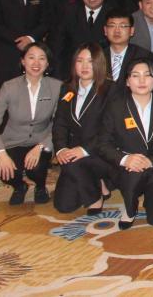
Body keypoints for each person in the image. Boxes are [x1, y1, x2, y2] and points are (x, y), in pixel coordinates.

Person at [97, 57, 153, 229]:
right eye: (135, 75)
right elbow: (103, 144)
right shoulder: (115, 107)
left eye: (147, 75)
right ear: (127, 81)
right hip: (128, 168)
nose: (142, 81)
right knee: (132, 177)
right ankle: (130, 206)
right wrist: (125, 159)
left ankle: (151, 196)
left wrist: (151, 161)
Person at [0, 41, 63, 205]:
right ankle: (20, 186)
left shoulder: (57, 87)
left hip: (41, 140)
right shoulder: (9, 87)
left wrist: (41, 146)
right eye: (31, 57)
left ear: (47, 63)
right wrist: (2, 154)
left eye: (42, 58)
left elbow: (60, 122)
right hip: (14, 141)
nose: (36, 63)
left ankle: (40, 186)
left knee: (35, 169)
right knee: (7, 173)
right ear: (23, 61)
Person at [53, 42, 115, 213]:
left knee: (73, 163)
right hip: (75, 154)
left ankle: (95, 197)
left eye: (90, 61)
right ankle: (98, 183)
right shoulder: (67, 88)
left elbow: (110, 130)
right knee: (64, 206)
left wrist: (84, 150)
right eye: (80, 61)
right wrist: (61, 149)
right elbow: (60, 123)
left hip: (102, 153)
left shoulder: (111, 89)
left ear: (99, 63)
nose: (85, 66)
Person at [51, 0, 109, 79]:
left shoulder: (112, 15)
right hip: (71, 73)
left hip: (102, 73)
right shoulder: (68, 12)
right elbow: (57, 45)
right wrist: (58, 76)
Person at [104, 10, 152, 86]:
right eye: (112, 26)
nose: (117, 31)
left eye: (123, 26)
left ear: (132, 31)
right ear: (105, 30)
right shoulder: (98, 56)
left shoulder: (144, 55)